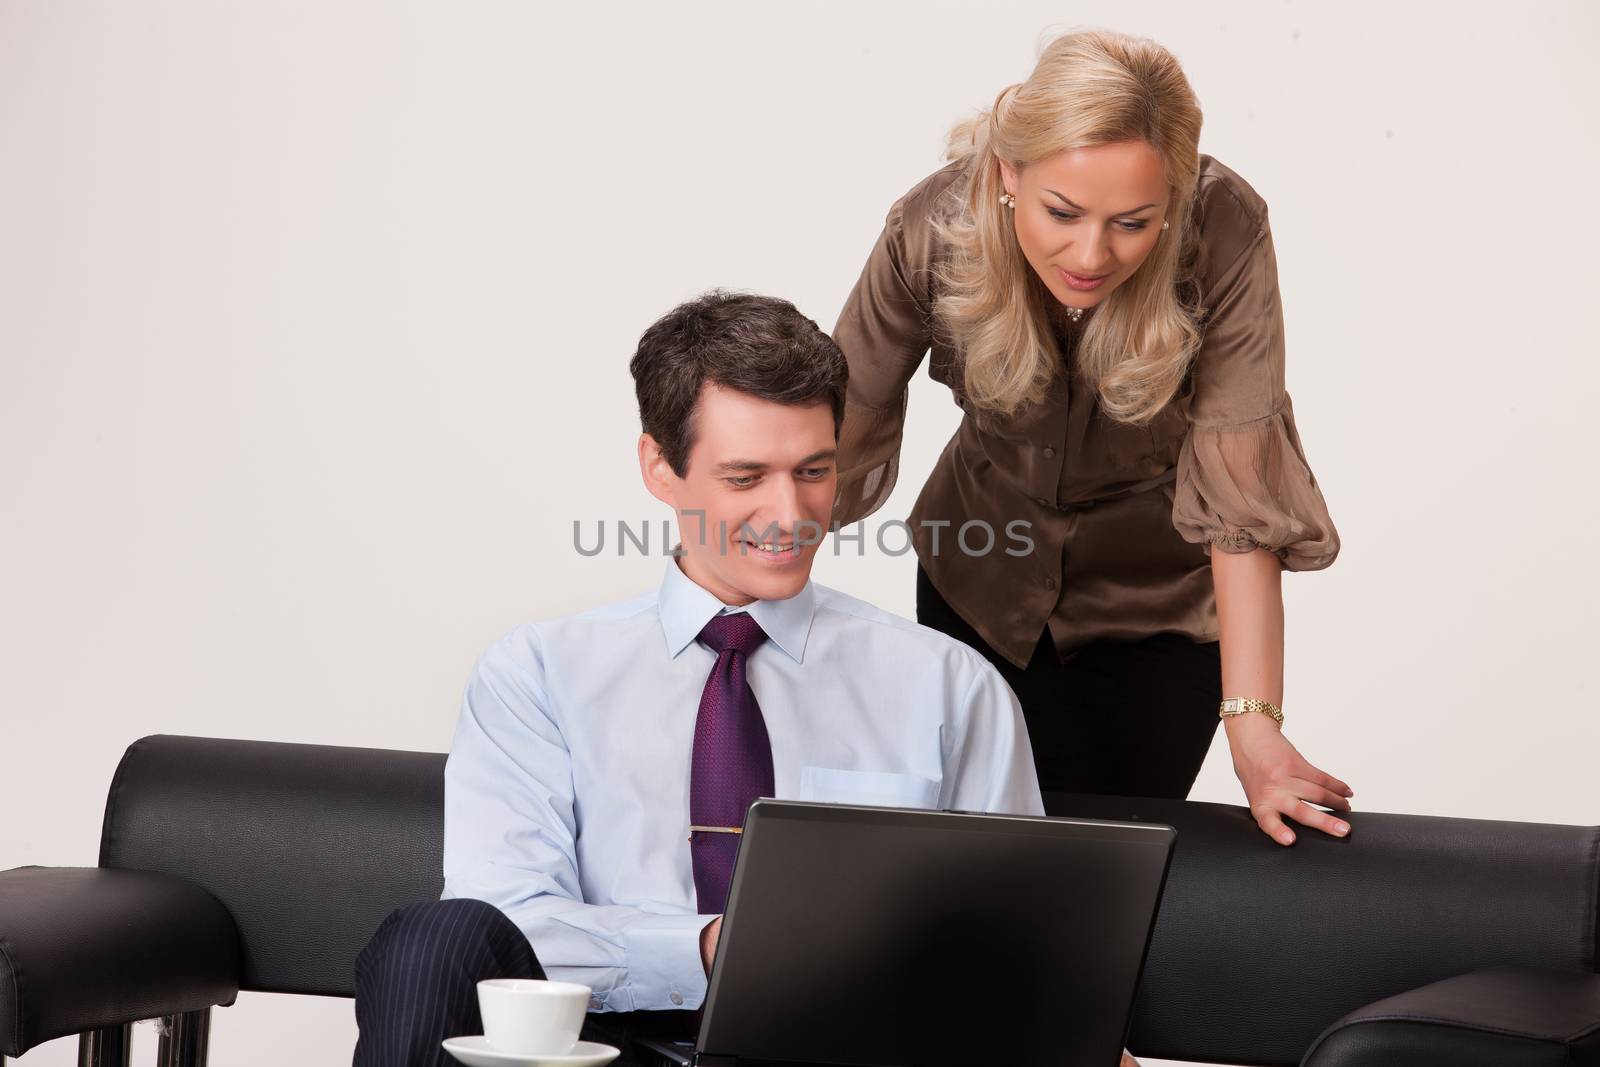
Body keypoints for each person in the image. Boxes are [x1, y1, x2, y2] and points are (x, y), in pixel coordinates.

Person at [350, 291, 1058, 1067]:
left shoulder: (950, 687)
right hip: (603, 1045)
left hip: (839, 1047)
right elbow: (514, 924)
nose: (790, 513)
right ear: (660, 466)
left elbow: (1017, 945)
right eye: (746, 476)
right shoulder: (540, 674)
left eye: (814, 471)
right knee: (430, 939)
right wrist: (712, 946)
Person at [831, 28, 1352, 846]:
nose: (1090, 253)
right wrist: (739, 616)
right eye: (1062, 212)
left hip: (1158, 617)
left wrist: (1253, 724)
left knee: (1099, 873)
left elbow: (1239, 492)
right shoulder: (932, 227)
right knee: (962, 861)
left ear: (1174, 199)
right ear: (1010, 172)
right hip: (977, 585)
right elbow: (833, 430)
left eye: (1132, 223)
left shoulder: (1224, 230)